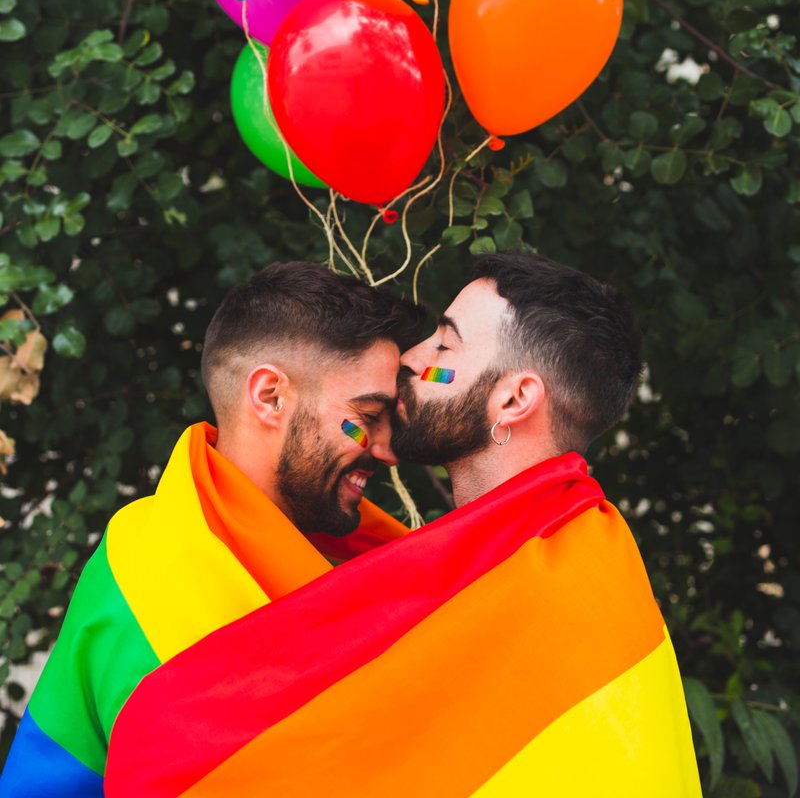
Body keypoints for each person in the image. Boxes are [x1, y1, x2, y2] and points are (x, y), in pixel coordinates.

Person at [103, 250, 701, 798]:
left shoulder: (576, 583)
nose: (413, 362)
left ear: (514, 400)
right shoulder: (467, 565)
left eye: (444, 347)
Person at [0, 261, 423, 797]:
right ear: (270, 396)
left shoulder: (351, 549)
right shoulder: (152, 575)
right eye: (366, 416)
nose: (386, 450)